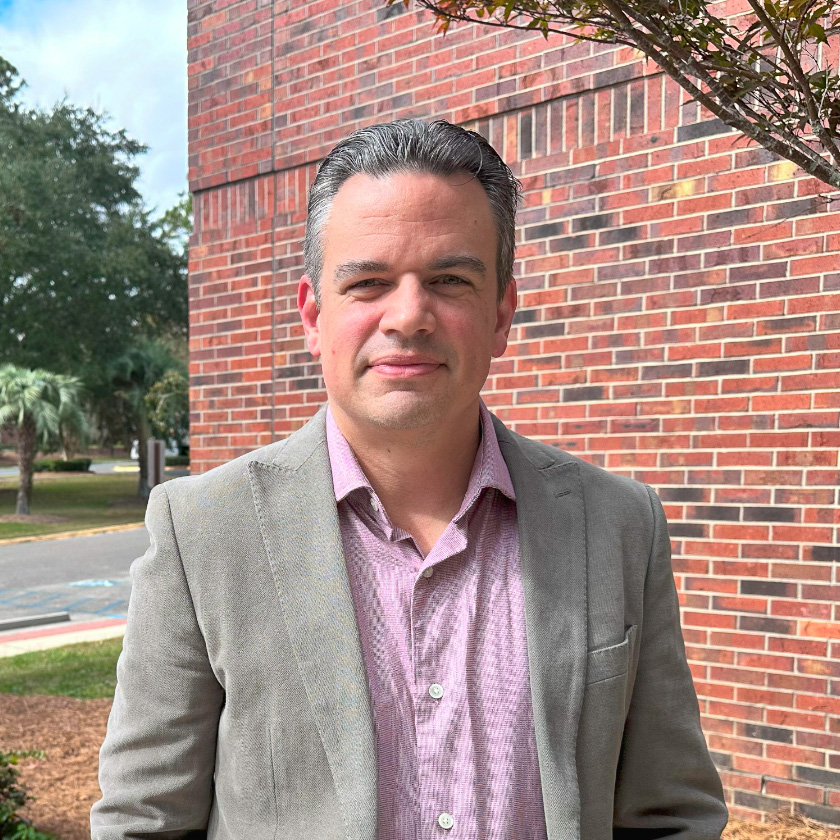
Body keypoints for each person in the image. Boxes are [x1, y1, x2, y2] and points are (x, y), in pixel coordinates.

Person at [92, 119, 727, 840]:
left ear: (501, 314)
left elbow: (671, 815)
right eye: (368, 282)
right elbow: (143, 821)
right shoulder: (202, 530)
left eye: (449, 281)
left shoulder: (617, 525)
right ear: (313, 314)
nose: (409, 316)